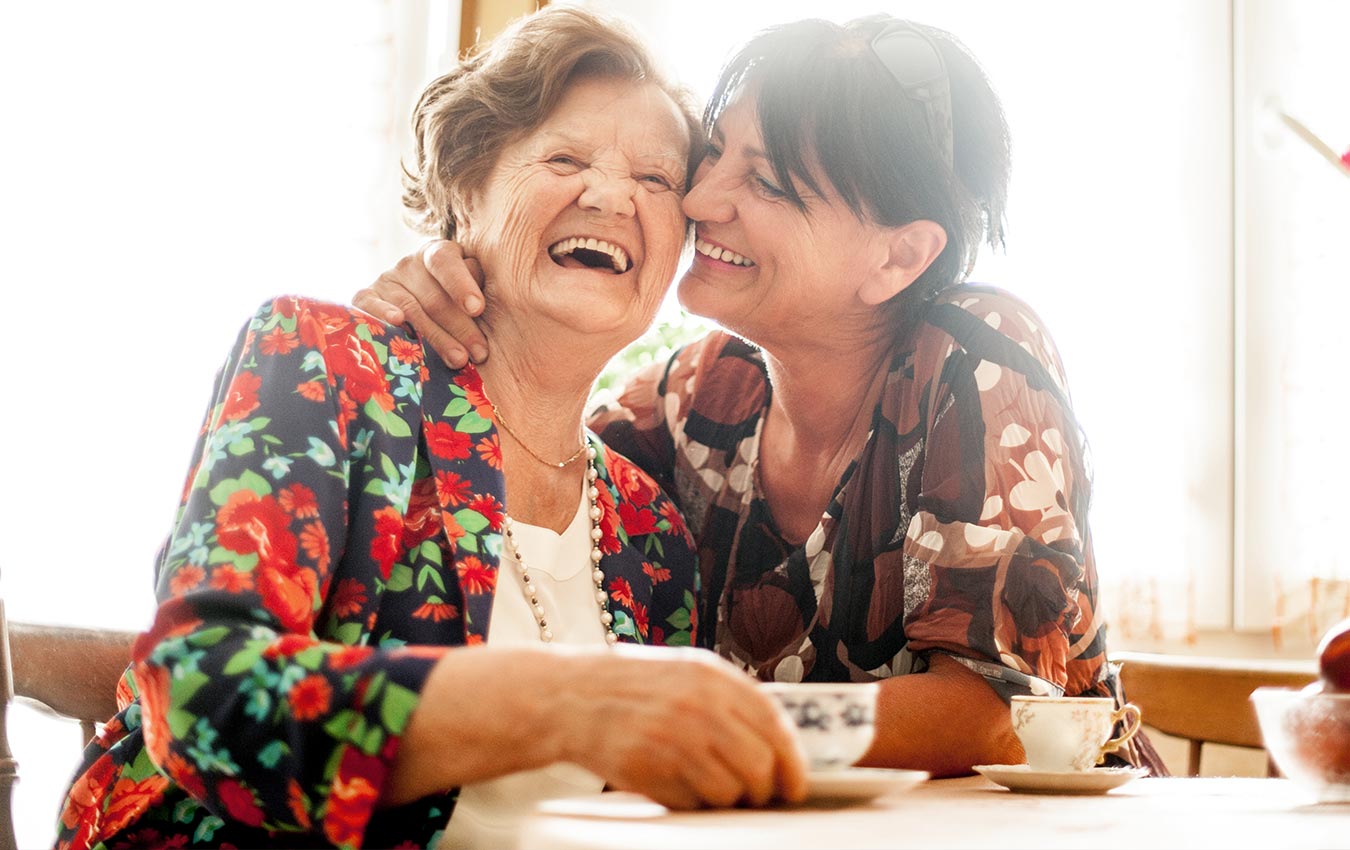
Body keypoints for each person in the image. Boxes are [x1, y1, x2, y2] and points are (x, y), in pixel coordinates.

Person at [54, 8, 810, 850]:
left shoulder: (651, 529)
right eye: (564, 158)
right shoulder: (328, 365)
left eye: (657, 181)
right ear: (464, 190)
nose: (609, 196)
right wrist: (561, 703)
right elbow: (200, 691)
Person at [356, 14, 1165, 776]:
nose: (700, 201)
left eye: (769, 182)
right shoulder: (699, 394)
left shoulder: (976, 353)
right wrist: (455, 283)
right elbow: (529, 451)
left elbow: (993, 710)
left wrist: (705, 726)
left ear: (897, 258)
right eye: (713, 155)